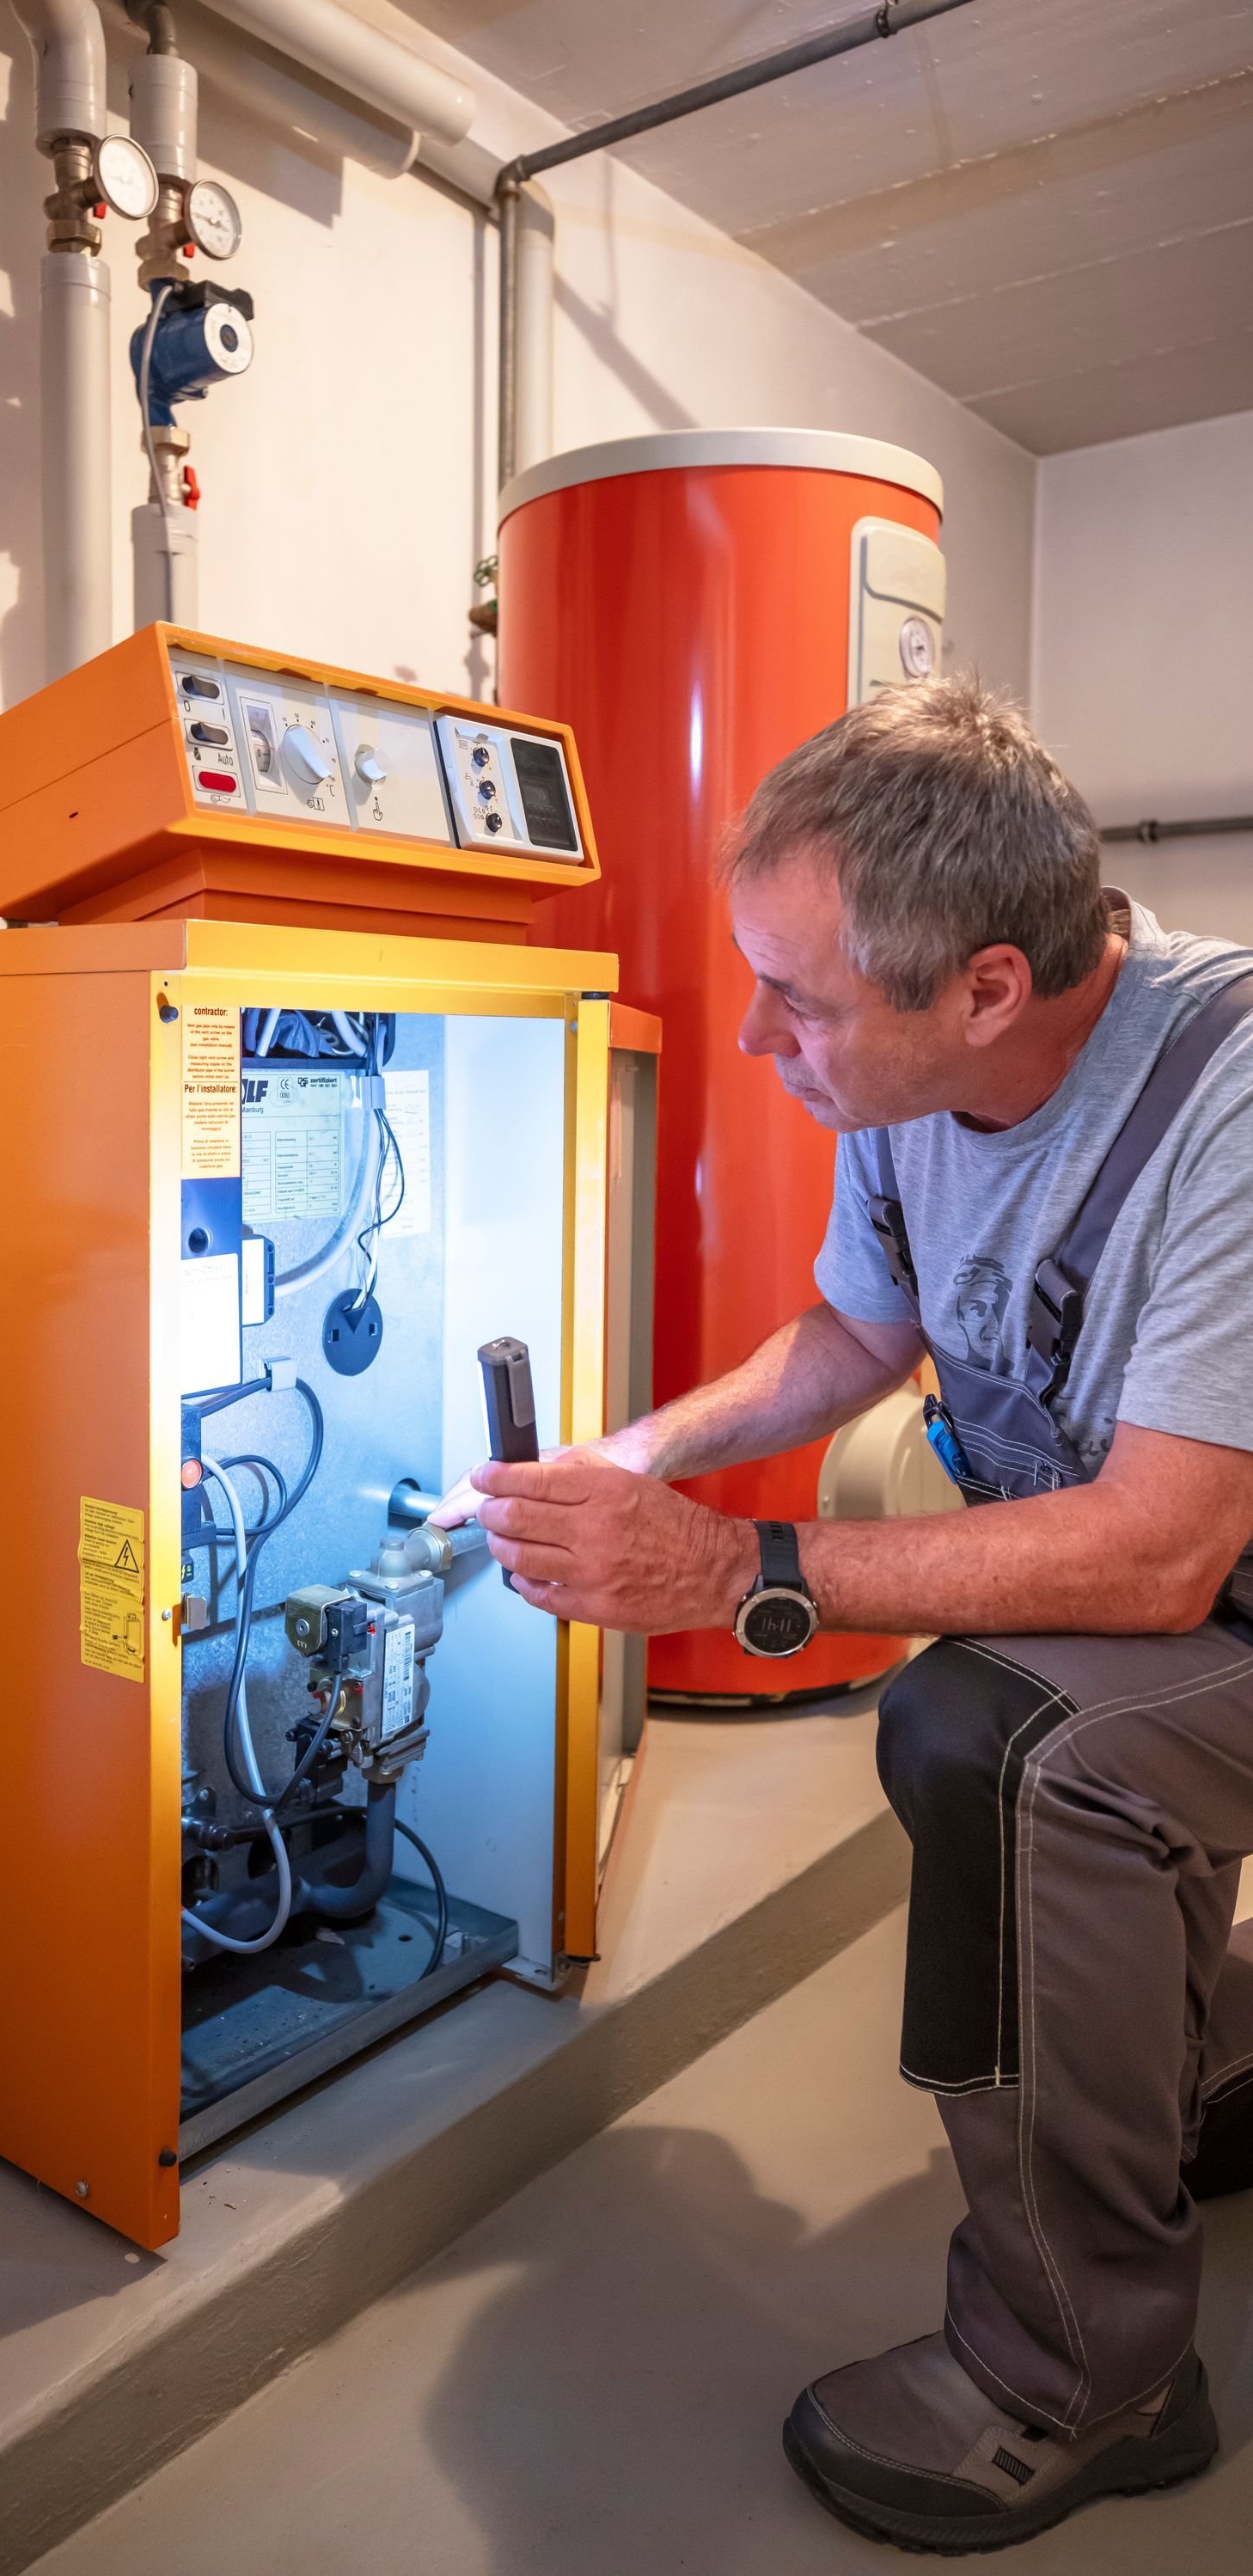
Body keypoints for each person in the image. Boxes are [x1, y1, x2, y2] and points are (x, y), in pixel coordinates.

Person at [432, 674, 1253, 2555]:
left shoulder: (1230, 1099)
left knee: (1003, 1736)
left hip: (1216, 1567)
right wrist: (647, 1452)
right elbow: (861, 1332)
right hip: (1190, 1572)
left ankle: (1092, 2372)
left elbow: (1160, 1553)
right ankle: (1198, 2066)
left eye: (796, 997)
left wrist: (737, 1573)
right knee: (1056, 1704)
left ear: (981, 984)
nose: (753, 1034)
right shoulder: (919, 1070)